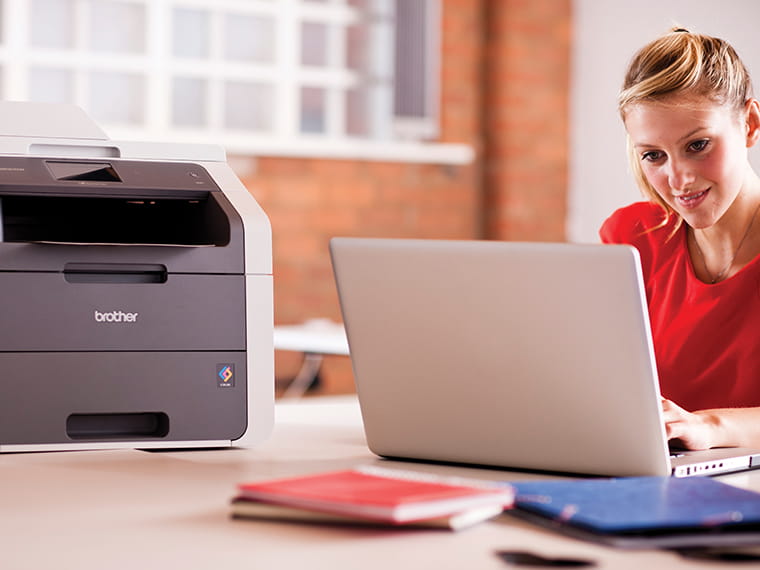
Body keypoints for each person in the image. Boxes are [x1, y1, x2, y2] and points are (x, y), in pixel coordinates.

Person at [600, 28, 760, 451]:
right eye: (653, 155)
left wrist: (709, 427)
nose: (679, 180)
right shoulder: (633, 239)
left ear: (750, 125)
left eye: (698, 145)